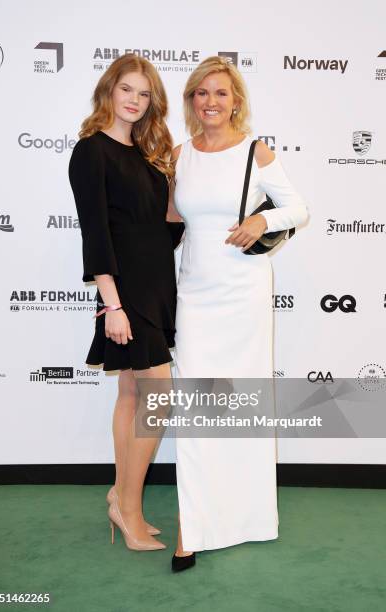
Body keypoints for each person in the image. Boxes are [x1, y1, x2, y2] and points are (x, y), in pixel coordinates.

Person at [168, 56, 309, 571]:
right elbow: (168, 224)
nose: (211, 102)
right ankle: (194, 524)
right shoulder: (179, 156)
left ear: (236, 101)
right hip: (196, 293)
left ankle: (246, 517)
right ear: (190, 102)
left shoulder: (256, 150)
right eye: (201, 93)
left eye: (221, 93)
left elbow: (298, 208)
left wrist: (262, 218)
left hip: (244, 292)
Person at [69, 54, 183, 552]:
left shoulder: (149, 157)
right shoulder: (91, 151)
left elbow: (164, 236)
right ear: (108, 92)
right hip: (125, 293)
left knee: (134, 397)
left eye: (144, 93)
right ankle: (128, 509)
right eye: (127, 90)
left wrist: (177, 189)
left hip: (158, 286)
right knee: (158, 398)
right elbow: (96, 234)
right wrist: (110, 305)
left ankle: (121, 495)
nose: (135, 100)